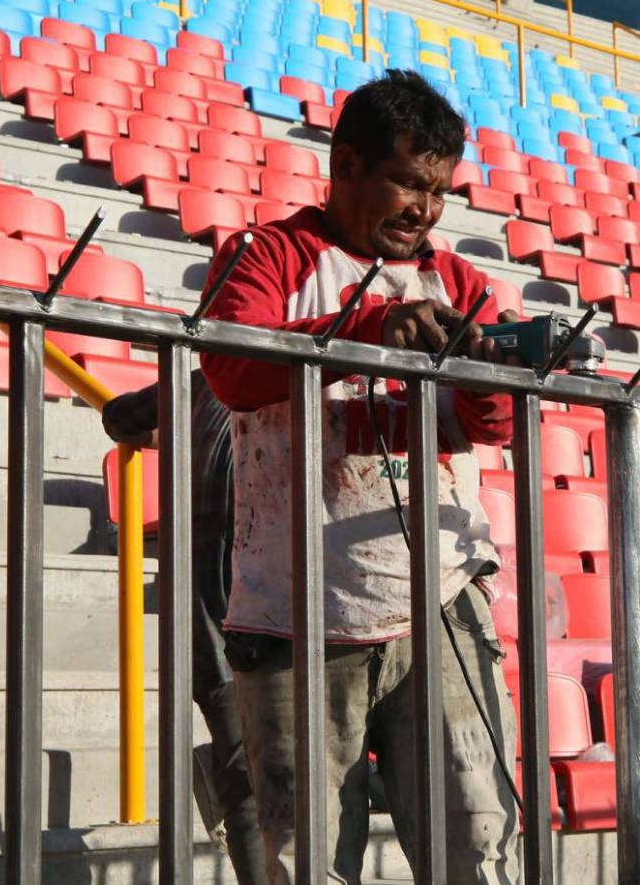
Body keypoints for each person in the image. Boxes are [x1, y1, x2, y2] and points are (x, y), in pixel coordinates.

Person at [197, 70, 522, 884]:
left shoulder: (460, 281)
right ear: (345, 165)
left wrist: (487, 376)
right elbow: (231, 366)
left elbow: (494, 427)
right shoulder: (268, 255)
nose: (426, 210)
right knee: (308, 866)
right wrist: (371, 327)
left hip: (441, 604)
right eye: (409, 184)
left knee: (479, 851)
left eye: (439, 191)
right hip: (295, 616)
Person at [101, 373, 269, 885]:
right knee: (252, 777)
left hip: (229, 624)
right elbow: (118, 417)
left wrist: (175, 432)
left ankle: (220, 774)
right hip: (234, 625)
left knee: (252, 771)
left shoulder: (201, 384)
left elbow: (119, 418)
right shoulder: (217, 385)